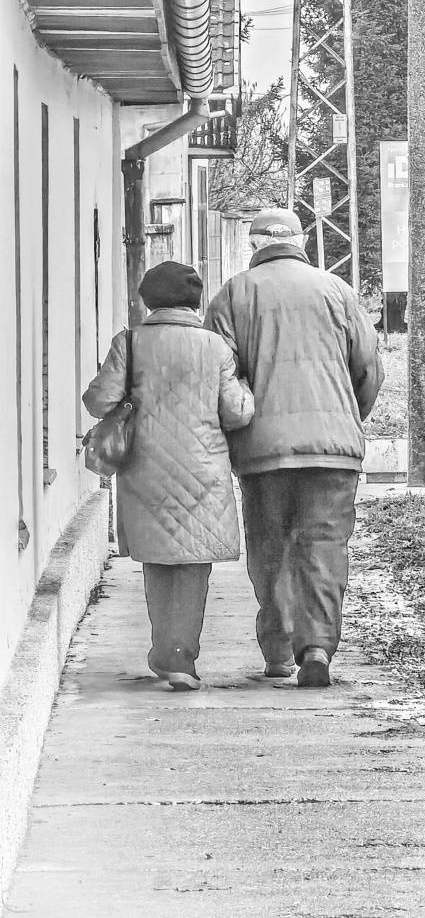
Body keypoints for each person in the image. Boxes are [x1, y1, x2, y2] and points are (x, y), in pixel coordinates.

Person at [205, 208, 383, 689]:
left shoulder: (233, 294)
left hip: (263, 451)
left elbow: (218, 377)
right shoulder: (337, 291)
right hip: (333, 452)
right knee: (324, 546)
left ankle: (279, 649)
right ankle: (318, 648)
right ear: (301, 241)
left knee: (271, 547)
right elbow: (368, 368)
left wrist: (237, 427)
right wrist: (345, 416)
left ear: (254, 245)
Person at [82, 260, 253, 692]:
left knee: (158, 561)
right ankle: (182, 656)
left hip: (146, 468)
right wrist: (248, 392)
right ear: (195, 302)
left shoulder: (130, 342)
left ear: (148, 300)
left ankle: (166, 650)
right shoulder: (215, 347)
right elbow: (236, 413)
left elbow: (99, 402)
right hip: (203, 469)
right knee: (194, 565)